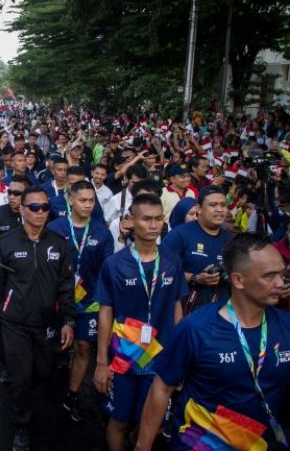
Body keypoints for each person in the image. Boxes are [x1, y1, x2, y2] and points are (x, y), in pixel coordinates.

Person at [136, 234, 290, 451]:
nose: (280, 283)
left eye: (282, 274)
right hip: (202, 444)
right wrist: (142, 446)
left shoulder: (286, 325)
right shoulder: (196, 328)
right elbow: (161, 388)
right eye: (269, 276)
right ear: (238, 280)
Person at [0, 185, 75, 451]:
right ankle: (22, 426)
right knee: (20, 377)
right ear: (22, 210)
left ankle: (26, 398)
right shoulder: (6, 242)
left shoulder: (58, 243)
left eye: (45, 207)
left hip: (46, 324)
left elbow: (66, 285)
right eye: (34, 207)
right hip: (14, 324)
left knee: (44, 372)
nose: (40, 212)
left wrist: (68, 320)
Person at [93, 193, 187, 451]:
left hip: (160, 357)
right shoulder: (114, 264)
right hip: (123, 358)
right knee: (119, 420)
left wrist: (180, 357)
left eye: (159, 219)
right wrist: (102, 362)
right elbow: (105, 313)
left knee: (152, 424)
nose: (154, 225)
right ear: (131, 220)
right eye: (146, 219)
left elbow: (177, 306)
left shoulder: (171, 261)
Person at [48, 181, 114, 423]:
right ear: (71, 200)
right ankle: (54, 367)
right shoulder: (54, 227)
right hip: (58, 299)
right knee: (56, 344)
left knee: (84, 346)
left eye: (91, 201)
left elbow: (108, 268)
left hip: (90, 301)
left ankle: (73, 393)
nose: (87, 205)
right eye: (82, 200)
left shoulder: (101, 232)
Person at [162, 185, 232, 314]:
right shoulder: (179, 235)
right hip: (184, 313)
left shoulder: (231, 240)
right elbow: (160, 272)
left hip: (221, 314)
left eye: (223, 205)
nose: (219, 210)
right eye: (213, 205)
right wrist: (194, 278)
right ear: (199, 209)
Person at [0, 174, 29, 248]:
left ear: (27, 194)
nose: (11, 197)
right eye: (9, 192)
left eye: (17, 193)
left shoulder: (36, 213)